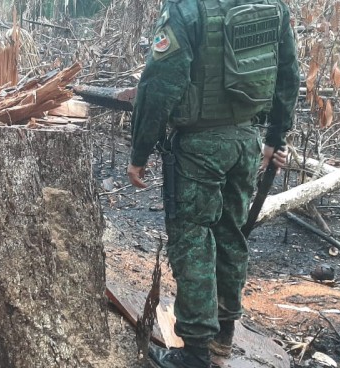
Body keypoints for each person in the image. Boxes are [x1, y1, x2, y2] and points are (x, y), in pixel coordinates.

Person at [126, 0, 299, 366]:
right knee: (230, 234)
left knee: (194, 238)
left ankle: (195, 351)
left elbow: (161, 83)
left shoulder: (188, 9)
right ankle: (223, 337)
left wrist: (139, 151)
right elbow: (288, 74)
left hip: (200, 146)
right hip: (246, 143)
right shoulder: (273, 6)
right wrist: (275, 137)